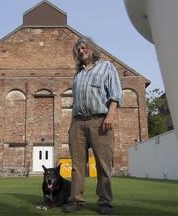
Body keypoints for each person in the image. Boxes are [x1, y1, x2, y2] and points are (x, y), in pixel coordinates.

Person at [63, 37, 122, 214]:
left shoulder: (107, 67)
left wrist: (110, 116)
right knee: (77, 165)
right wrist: (72, 123)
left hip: (100, 121)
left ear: (92, 48)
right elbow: (76, 102)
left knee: (103, 164)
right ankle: (76, 201)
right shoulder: (78, 75)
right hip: (78, 122)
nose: (81, 50)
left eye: (84, 47)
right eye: (78, 49)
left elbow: (115, 94)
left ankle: (104, 202)